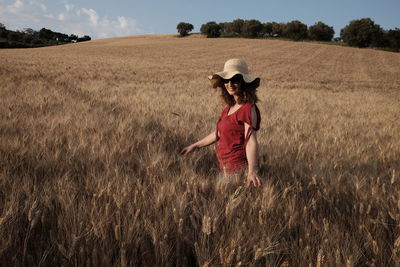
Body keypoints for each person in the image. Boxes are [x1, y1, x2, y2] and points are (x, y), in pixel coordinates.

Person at [181, 58, 262, 188]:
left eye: (235, 79)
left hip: (237, 170)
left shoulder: (248, 108)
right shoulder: (228, 108)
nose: (230, 84)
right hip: (224, 168)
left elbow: (251, 140)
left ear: (244, 82)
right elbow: (218, 133)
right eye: (226, 80)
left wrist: (252, 171)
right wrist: (195, 145)